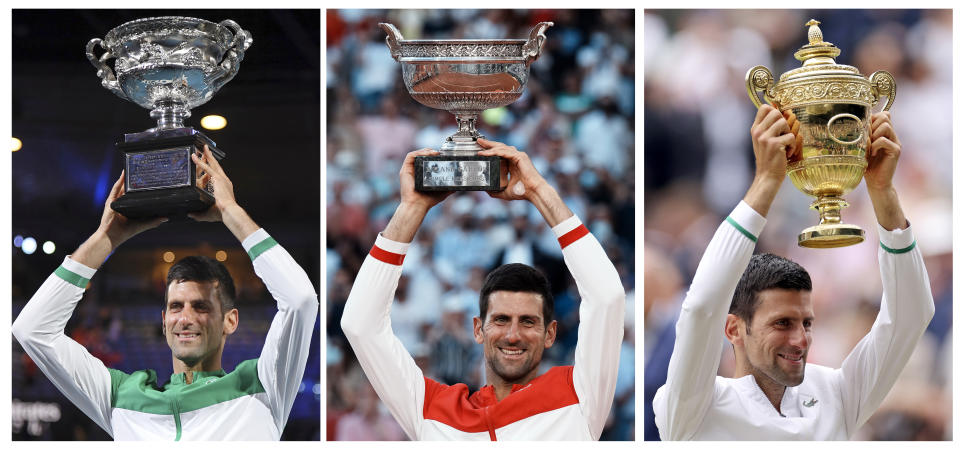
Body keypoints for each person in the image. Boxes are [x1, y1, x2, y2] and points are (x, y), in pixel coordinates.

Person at [652, 105, 935, 440]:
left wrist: (883, 192)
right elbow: (701, 308)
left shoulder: (837, 394)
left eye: (806, 323)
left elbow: (910, 316)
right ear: (733, 329)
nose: (801, 339)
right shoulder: (691, 407)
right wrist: (766, 182)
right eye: (782, 323)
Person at [12, 146, 318, 440]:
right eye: (176, 306)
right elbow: (32, 330)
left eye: (200, 307)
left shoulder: (263, 386)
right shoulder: (120, 397)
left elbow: (301, 300)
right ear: (163, 320)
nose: (185, 318)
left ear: (230, 321)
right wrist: (106, 239)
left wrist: (230, 211)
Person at [341, 139, 625, 440]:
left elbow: (607, 297)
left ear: (550, 334)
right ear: (478, 329)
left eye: (528, 321)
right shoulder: (430, 410)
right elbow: (360, 324)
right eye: (501, 319)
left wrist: (538, 190)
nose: (513, 335)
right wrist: (411, 208)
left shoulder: (579, 395)